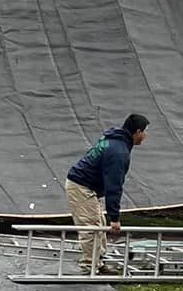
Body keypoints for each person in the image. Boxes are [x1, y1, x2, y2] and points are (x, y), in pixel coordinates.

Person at [64, 114, 149, 271]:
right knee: (91, 228)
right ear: (137, 132)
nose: (145, 136)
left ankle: (98, 262)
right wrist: (115, 218)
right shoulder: (118, 152)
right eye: (144, 131)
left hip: (86, 186)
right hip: (81, 186)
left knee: (99, 223)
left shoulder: (115, 140)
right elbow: (114, 186)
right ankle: (89, 267)